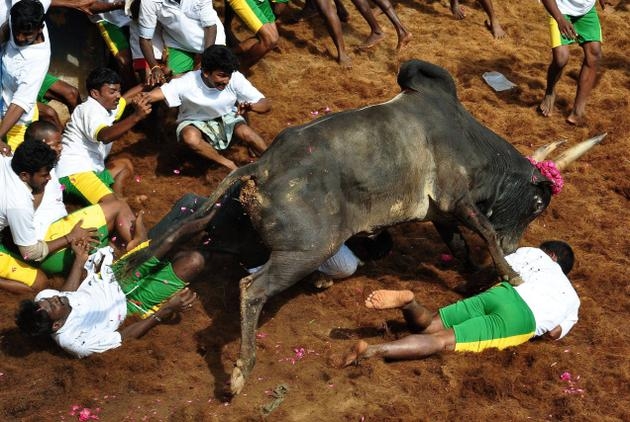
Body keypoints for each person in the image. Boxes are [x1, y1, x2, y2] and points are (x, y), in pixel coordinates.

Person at [14, 208, 213, 358]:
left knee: (172, 238)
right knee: (195, 261)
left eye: (48, 301)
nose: (53, 298)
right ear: (57, 325)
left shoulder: (44, 300)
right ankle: (215, 228)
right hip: (132, 303)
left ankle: (212, 215)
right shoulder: (78, 342)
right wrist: (167, 309)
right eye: (52, 305)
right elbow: (124, 336)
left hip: (113, 276)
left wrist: (80, 260)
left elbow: (68, 293)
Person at [342, 241, 579, 366]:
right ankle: (371, 352)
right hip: (520, 317)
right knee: (441, 341)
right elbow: (553, 334)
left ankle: (409, 303)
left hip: (500, 293)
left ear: (549, 254)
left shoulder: (532, 253)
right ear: (560, 264)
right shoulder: (572, 298)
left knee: (430, 325)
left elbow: (500, 269)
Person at [145, 45, 270, 171]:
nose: (226, 80)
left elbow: (265, 104)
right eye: (221, 75)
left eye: (228, 76)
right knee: (190, 137)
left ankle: (273, 160)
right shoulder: (187, 82)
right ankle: (229, 165)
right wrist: (143, 98)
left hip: (226, 118)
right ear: (205, 72)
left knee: (246, 132)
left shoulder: (235, 77)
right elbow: (157, 94)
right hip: (194, 122)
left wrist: (252, 106)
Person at [55, 67, 151, 205]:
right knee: (112, 206)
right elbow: (104, 136)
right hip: (74, 174)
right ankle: (115, 206)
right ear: (95, 93)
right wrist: (136, 117)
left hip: (92, 173)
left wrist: (151, 82)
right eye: (112, 92)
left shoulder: (107, 106)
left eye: (118, 90)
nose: (118, 95)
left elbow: (126, 98)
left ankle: (118, 198)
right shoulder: (89, 109)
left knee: (124, 164)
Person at [538, 0, 604, 125]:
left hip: (586, 10)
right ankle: (550, 91)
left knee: (594, 54)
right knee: (561, 59)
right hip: (560, 9)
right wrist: (559, 18)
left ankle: (578, 112)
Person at [0, 0, 51, 154]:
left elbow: (19, 104)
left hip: (14, 124)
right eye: (17, 32)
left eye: (27, 34)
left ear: (40, 29)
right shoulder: (22, 18)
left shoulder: (37, 60)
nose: (20, 38)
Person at [135, 0, 226, 85]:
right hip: (177, 43)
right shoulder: (148, 2)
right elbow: (145, 39)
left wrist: (206, 59)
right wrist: (155, 67)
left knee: (207, 78)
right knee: (172, 82)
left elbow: (210, 27)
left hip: (211, 41)